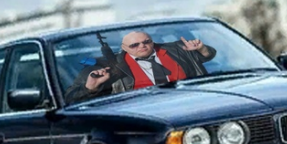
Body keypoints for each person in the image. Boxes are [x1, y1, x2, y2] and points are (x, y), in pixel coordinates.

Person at [65, 30, 216, 102]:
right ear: (124, 48)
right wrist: (89, 88)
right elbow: (70, 98)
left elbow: (208, 55)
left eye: (146, 42)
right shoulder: (105, 68)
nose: (142, 46)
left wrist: (201, 48)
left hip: (192, 101)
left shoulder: (176, 49)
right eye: (134, 45)